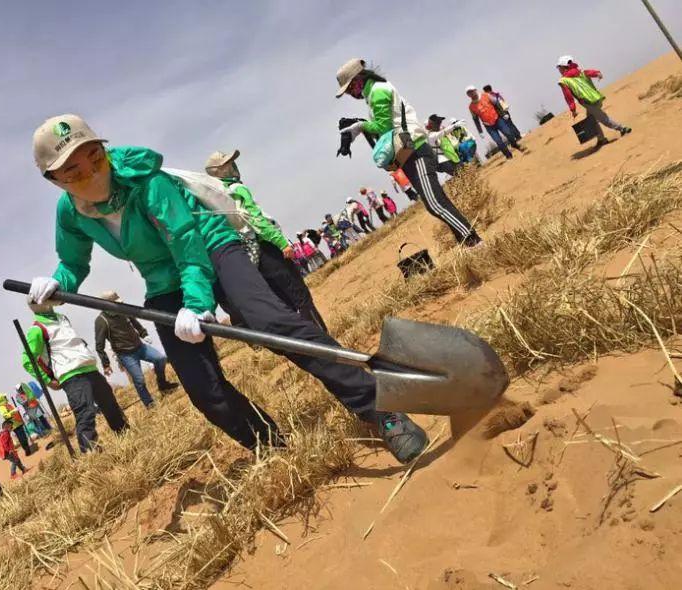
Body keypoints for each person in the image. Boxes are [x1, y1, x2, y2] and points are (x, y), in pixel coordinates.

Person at [27, 114, 427, 463]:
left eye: (95, 157)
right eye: (74, 171)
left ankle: (379, 409)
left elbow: (185, 240)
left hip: (211, 247)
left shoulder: (145, 181)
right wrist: (58, 282)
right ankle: (270, 446)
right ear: (54, 180)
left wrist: (198, 302)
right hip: (163, 280)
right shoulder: (71, 213)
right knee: (202, 388)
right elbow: (74, 262)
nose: (92, 172)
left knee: (271, 322)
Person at [337, 59, 481, 247]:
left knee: (435, 203)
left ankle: (473, 240)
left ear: (357, 80)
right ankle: (467, 242)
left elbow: (383, 127)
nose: (350, 94)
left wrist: (360, 126)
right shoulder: (374, 91)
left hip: (415, 149)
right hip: (408, 150)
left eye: (349, 89)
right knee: (435, 202)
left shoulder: (377, 92)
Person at [205, 150, 328, 331]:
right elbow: (256, 219)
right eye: (228, 164)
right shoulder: (238, 189)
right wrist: (281, 242)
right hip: (267, 248)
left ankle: (299, 339)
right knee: (300, 296)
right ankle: (321, 338)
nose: (233, 166)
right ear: (221, 170)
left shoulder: (217, 196)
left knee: (282, 302)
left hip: (249, 255)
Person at [23, 297, 128, 452]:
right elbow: (27, 360)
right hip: (71, 375)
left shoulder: (62, 318)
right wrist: (47, 380)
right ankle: (91, 454)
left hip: (89, 368)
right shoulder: (36, 329)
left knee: (110, 404)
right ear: (38, 303)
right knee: (85, 413)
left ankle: (126, 438)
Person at [94, 290, 179, 407]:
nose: (118, 304)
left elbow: (134, 322)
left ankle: (163, 385)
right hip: (126, 355)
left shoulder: (123, 309)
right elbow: (99, 345)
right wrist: (106, 364)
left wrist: (144, 334)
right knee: (139, 380)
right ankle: (149, 403)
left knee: (160, 359)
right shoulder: (101, 321)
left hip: (140, 347)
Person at [556, 55, 631, 148]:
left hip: (587, 102)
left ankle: (622, 128)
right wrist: (598, 74)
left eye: (559, 67)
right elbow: (591, 72)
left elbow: (568, 96)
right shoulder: (580, 72)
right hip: (596, 97)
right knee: (591, 120)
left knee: (603, 119)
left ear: (563, 67)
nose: (558, 70)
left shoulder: (563, 80)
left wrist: (573, 109)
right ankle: (601, 139)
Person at [466, 85, 523, 160]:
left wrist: (503, 114)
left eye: (472, 91)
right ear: (468, 95)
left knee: (508, 133)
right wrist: (480, 131)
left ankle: (514, 144)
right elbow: (475, 119)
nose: (471, 93)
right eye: (469, 93)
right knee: (498, 141)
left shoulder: (486, 96)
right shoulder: (471, 107)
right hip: (489, 126)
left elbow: (497, 103)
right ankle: (508, 155)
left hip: (498, 119)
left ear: (475, 90)